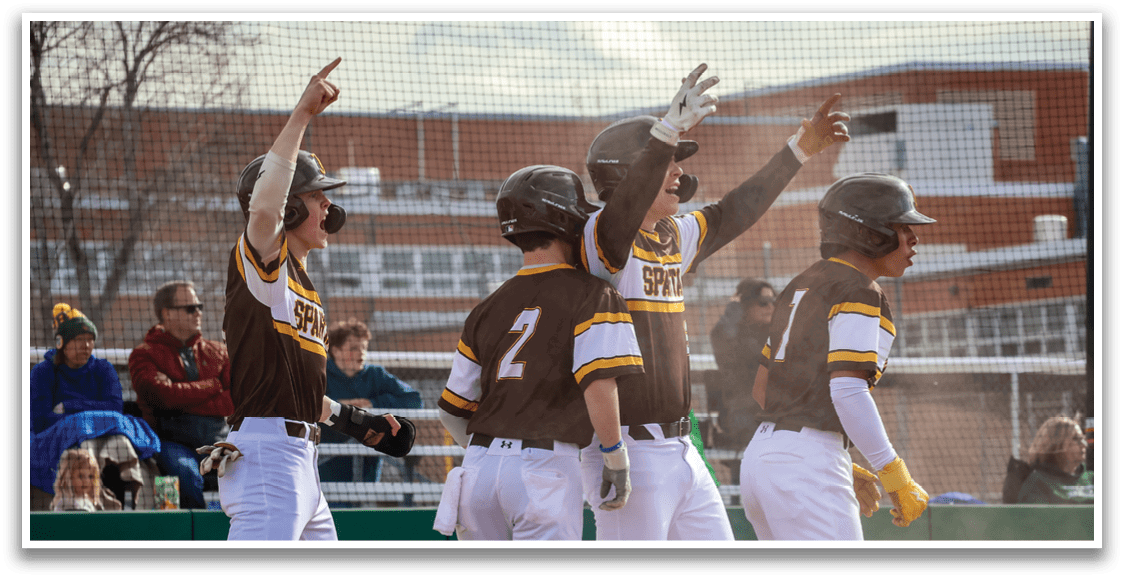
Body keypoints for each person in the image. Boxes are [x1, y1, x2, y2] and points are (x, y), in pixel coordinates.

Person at [576, 63, 850, 540]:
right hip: (629, 449)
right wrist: (664, 132)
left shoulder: (670, 236)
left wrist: (798, 150)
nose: (680, 172)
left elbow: (734, 211)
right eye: (669, 162)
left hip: (683, 447)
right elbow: (619, 219)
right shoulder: (603, 239)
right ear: (629, 174)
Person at [215, 57, 414, 541]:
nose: (328, 204)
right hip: (267, 460)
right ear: (289, 204)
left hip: (301, 459)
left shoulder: (303, 285)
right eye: (316, 194)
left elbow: (300, 393)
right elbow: (263, 207)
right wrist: (301, 116)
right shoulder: (266, 263)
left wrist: (355, 421)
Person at [434, 164, 644, 541]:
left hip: (477, 469)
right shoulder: (594, 294)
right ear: (567, 220)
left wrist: (496, 451)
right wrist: (615, 457)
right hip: (543, 468)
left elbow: (451, 408)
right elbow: (598, 384)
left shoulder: (487, 306)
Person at [740, 172, 936, 540]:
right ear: (869, 232)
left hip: (761, 462)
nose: (914, 238)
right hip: (805, 467)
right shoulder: (860, 289)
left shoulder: (802, 282)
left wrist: (843, 463)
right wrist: (893, 474)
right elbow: (847, 391)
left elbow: (761, 388)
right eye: (901, 226)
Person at [30, 303, 162, 510]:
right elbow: (40, 420)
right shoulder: (42, 373)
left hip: (109, 436)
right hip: (67, 442)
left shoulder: (104, 369)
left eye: (90, 340)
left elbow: (114, 409)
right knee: (84, 438)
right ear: (61, 343)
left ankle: (129, 499)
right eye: (79, 340)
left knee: (119, 441)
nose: (87, 345)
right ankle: (88, 502)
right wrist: (85, 421)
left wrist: (70, 408)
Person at [128, 280, 233, 509]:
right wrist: (213, 386)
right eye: (190, 308)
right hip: (170, 444)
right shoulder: (143, 354)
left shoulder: (219, 352)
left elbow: (235, 399)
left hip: (217, 442)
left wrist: (179, 397)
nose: (198, 312)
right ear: (167, 314)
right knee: (181, 474)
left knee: (254, 469)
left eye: (199, 307)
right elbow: (161, 397)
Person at [320, 318, 423, 484]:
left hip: (367, 471)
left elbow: (414, 399)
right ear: (336, 351)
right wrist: (338, 406)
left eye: (364, 348)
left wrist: (372, 404)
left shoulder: (376, 374)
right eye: (353, 348)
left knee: (364, 507)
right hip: (325, 467)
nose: (361, 353)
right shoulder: (321, 373)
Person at [709, 278, 776, 450]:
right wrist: (733, 310)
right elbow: (723, 344)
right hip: (744, 420)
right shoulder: (733, 337)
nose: (770, 307)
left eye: (773, 301)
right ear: (746, 306)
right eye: (763, 303)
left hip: (777, 416)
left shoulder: (777, 335)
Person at [1016, 416, 1093, 504]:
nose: (1084, 444)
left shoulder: (1092, 478)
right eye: (1076, 439)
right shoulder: (1038, 482)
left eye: (1083, 438)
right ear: (1057, 444)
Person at [50, 448, 121, 512]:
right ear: (68, 477)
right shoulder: (67, 501)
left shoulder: (86, 500)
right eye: (80, 476)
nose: (86, 481)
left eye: (90, 476)